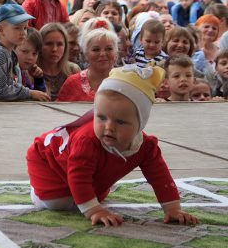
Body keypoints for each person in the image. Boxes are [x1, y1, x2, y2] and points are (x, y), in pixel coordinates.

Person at [27, 65, 199, 227]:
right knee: (59, 202)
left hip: (80, 170)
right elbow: (78, 177)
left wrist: (173, 208)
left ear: (140, 123)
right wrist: (94, 210)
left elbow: (160, 176)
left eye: (120, 121)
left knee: (95, 194)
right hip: (47, 162)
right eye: (101, 117)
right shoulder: (86, 141)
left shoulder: (145, 147)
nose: (109, 126)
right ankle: (36, 193)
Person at [57, 22, 118, 102]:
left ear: (116, 53)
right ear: (85, 54)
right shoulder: (72, 83)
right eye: (96, 49)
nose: (103, 54)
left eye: (109, 49)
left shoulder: (125, 82)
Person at [38, 23, 80, 100]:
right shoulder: (32, 71)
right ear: (40, 45)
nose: (54, 49)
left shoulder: (73, 70)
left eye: (60, 44)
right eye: (49, 44)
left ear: (65, 47)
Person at [16, 28, 47, 93]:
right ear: (13, 48)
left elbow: (40, 98)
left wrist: (38, 80)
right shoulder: (11, 71)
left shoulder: (26, 73)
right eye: (25, 51)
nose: (30, 57)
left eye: (34, 53)